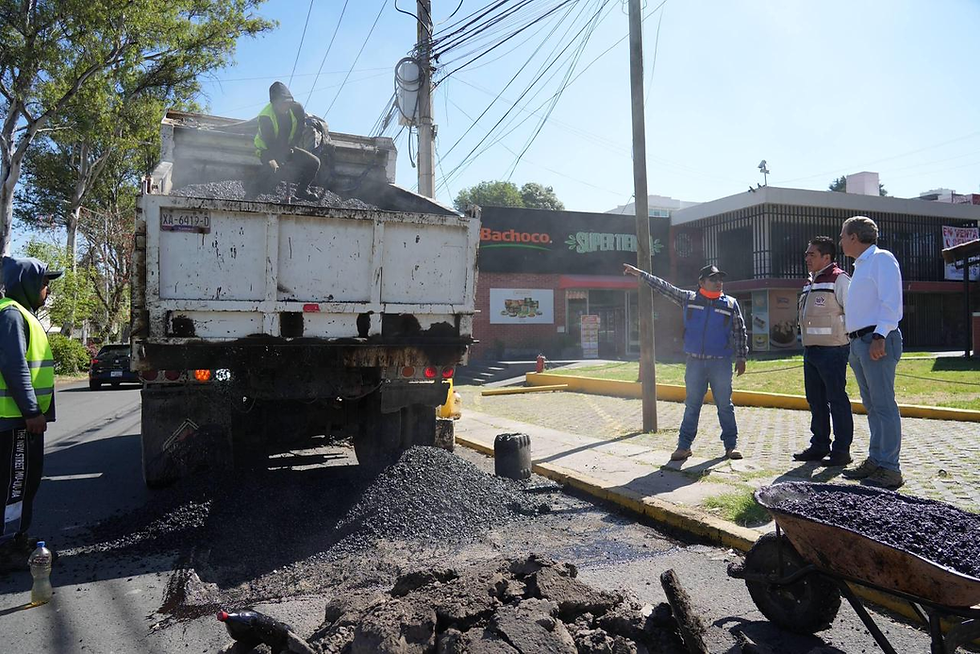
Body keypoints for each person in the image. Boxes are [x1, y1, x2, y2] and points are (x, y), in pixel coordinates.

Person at [623, 263, 748, 461]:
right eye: (713, 279)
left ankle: (730, 446)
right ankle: (684, 447)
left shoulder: (730, 304)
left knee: (725, 405)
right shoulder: (689, 299)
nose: (718, 283)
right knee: (692, 405)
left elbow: (739, 332)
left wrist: (742, 357)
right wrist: (641, 274)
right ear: (701, 282)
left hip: (720, 363)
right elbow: (664, 287)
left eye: (720, 279)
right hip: (695, 363)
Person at [0, 256, 60, 571]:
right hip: (16, 421)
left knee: (20, 482)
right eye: (44, 283)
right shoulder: (12, 315)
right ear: (28, 284)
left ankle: (14, 538)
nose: (47, 290)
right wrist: (31, 411)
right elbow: (14, 365)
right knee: (17, 483)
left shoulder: (19, 313)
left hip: (17, 419)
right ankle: (9, 545)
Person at [838, 216, 904, 489]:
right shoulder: (861, 265)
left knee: (884, 405)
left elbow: (891, 301)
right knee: (873, 406)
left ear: (854, 237)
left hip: (876, 339)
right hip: (859, 342)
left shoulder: (881, 259)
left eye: (843, 235)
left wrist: (880, 335)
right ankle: (877, 460)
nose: (840, 241)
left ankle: (890, 469)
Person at [793, 236, 853, 467]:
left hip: (834, 350)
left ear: (826, 257)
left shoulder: (839, 279)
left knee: (836, 400)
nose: (807, 258)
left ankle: (841, 451)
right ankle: (819, 446)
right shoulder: (810, 282)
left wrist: (845, 339)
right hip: (811, 351)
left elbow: (852, 311)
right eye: (807, 254)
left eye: (812, 254)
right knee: (815, 401)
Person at [248, 81, 321, 202]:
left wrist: (291, 147)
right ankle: (252, 194)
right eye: (281, 104)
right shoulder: (265, 117)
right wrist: (279, 160)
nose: (285, 106)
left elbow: (299, 129)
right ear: (274, 103)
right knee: (274, 168)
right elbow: (269, 142)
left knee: (314, 163)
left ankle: (302, 190)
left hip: (287, 147)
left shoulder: (296, 108)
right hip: (267, 149)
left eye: (287, 103)